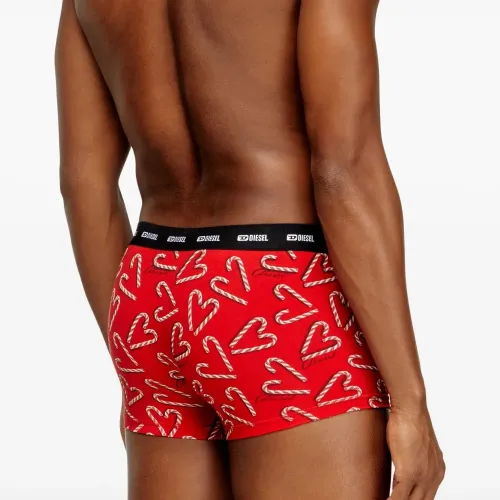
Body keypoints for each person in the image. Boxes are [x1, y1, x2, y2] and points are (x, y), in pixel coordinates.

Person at [55, 0, 445, 498]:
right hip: (279, 294)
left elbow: (82, 184)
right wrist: (410, 401)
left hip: (151, 292)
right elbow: (344, 167)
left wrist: (133, 362)